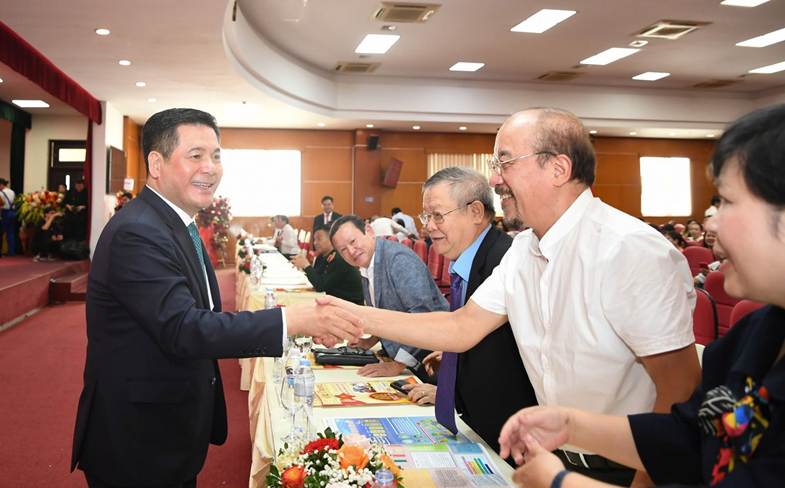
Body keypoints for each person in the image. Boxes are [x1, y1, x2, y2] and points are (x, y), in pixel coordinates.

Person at [321, 107, 701, 486]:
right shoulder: (523, 250)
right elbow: (461, 327)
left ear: (558, 169)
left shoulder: (629, 249)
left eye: (504, 162)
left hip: (625, 469)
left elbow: (678, 391)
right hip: (554, 458)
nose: (493, 179)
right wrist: (355, 316)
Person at [71, 108, 362, 488]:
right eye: (196, 155)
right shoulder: (138, 232)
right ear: (156, 164)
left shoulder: (175, 224)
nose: (210, 168)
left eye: (216, 156)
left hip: (167, 425)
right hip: (137, 437)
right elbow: (184, 327)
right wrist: (291, 321)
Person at [498, 103, 785, 488]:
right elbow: (692, 436)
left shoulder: (627, 247)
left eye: (728, 202)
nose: (712, 223)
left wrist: (560, 482)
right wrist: (570, 425)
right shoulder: (754, 335)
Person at [402, 166, 537, 455]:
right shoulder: (468, 260)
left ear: (476, 212)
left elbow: (506, 363)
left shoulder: (503, 260)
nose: (429, 226)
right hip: (478, 422)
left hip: (509, 438)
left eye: (438, 215)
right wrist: (454, 366)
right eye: (426, 216)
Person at [330, 214, 448, 380]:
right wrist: (369, 341)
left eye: (353, 241)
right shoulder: (367, 264)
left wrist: (397, 365)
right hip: (402, 357)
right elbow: (384, 310)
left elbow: (423, 315)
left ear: (369, 231)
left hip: (431, 363)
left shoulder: (398, 260)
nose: (351, 251)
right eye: (343, 250)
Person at [291, 225, 364, 304]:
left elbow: (321, 287)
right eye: (314, 239)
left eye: (319, 239)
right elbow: (316, 280)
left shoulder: (340, 259)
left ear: (331, 240)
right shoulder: (322, 256)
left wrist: (306, 265)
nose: (315, 243)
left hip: (350, 305)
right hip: (334, 300)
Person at [0, 177, 17, 256]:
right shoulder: (12, 192)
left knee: (1, 232)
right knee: (11, 233)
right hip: (13, 213)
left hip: (5, 213)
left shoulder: (1, 193)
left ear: (1, 185)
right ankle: (11, 252)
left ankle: (1, 251)